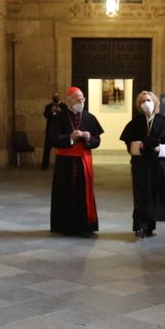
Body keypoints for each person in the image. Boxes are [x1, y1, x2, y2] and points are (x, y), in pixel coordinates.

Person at [48, 86, 102, 236]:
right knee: (65, 192)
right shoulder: (59, 118)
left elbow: (98, 141)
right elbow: (52, 140)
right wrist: (69, 138)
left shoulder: (89, 118)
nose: (81, 101)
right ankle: (65, 226)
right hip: (64, 162)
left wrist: (90, 138)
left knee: (83, 193)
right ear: (69, 101)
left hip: (84, 160)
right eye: (78, 99)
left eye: (83, 99)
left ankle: (85, 226)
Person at [120, 90, 165, 238]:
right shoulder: (135, 122)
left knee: (155, 194)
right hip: (141, 164)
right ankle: (139, 225)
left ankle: (150, 226)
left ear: (155, 102)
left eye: (148, 100)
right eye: (143, 101)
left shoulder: (163, 121)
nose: (146, 104)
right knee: (141, 194)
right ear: (139, 105)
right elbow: (128, 142)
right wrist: (139, 145)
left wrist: (160, 148)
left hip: (158, 164)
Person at [40, 91, 65, 170]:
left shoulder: (63, 106)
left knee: (62, 149)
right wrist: (51, 111)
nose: (56, 98)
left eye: (57, 96)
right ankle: (44, 166)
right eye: (54, 97)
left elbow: (66, 116)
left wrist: (60, 111)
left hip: (60, 131)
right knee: (47, 149)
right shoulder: (49, 106)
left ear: (59, 97)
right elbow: (45, 115)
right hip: (50, 130)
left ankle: (62, 166)